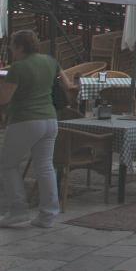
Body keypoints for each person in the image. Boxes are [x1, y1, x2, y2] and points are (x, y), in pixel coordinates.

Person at [0, 30, 70, 228]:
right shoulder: (50, 61)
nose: (11, 50)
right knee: (45, 166)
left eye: (12, 46)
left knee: (8, 164)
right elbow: (68, 84)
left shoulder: (18, 68)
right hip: (50, 119)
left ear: (20, 46)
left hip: (25, 119)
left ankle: (18, 210)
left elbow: (4, 99)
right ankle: (48, 214)